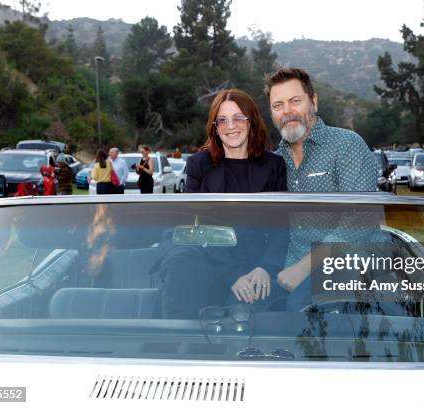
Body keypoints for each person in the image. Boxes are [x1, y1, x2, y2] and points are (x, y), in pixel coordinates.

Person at [160, 88, 288, 318]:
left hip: (253, 263)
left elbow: (281, 225)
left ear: (252, 121)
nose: (231, 126)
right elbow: (193, 227)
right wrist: (230, 274)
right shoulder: (199, 165)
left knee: (248, 310)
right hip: (207, 259)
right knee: (184, 273)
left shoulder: (274, 166)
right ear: (215, 127)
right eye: (222, 120)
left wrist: (266, 267)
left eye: (238, 118)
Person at [263, 67, 380, 310]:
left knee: (299, 310)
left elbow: (360, 219)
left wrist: (304, 267)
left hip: (346, 266)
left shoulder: (346, 145)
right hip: (288, 269)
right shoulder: (275, 162)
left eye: (295, 101)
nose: (287, 112)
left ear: (313, 102)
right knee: (246, 308)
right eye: (278, 105)